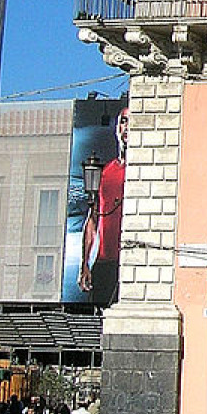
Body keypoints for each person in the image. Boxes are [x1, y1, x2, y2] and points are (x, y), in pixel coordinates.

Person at [79, 105, 128, 307]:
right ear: (117, 129)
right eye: (123, 121)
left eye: (133, 122)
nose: (127, 128)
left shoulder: (145, 171)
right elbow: (92, 220)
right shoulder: (105, 172)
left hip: (132, 259)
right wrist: (85, 265)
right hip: (105, 262)